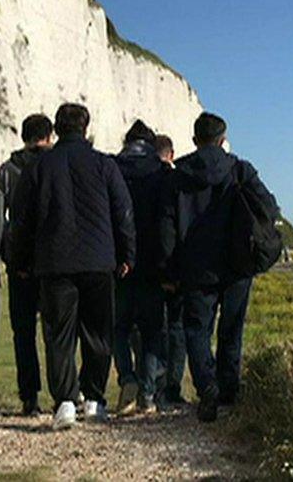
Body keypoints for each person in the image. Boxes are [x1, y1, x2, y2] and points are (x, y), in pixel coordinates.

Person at [11, 103, 136, 430]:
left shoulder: (38, 167)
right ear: (86, 127)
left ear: (55, 129)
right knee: (98, 331)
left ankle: (65, 402)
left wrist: (20, 260)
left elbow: (21, 220)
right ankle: (94, 400)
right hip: (98, 260)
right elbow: (123, 212)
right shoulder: (104, 165)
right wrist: (127, 254)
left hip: (54, 263)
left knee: (58, 334)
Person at [158, 113, 280, 422]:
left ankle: (206, 387)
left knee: (197, 330)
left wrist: (169, 270)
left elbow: (167, 227)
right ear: (223, 140)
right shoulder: (240, 169)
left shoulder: (178, 174)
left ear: (195, 139)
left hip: (196, 265)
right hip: (239, 262)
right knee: (231, 327)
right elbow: (269, 206)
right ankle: (228, 389)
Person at [0, 114, 54, 416]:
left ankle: (30, 397)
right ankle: (67, 393)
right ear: (50, 136)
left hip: (19, 263)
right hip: (54, 261)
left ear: (23, 136)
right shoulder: (55, 165)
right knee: (57, 331)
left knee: (23, 332)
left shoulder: (8, 170)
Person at [112, 121, 168, 415]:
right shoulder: (161, 172)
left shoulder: (111, 167)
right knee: (151, 330)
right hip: (152, 261)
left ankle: (127, 377)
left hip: (118, 260)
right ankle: (147, 395)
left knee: (118, 327)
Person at [152, 134, 188, 406]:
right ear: (171, 154)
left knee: (148, 329)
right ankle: (171, 388)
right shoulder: (177, 182)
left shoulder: (142, 179)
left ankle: (150, 387)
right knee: (175, 328)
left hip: (144, 267)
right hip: (174, 265)